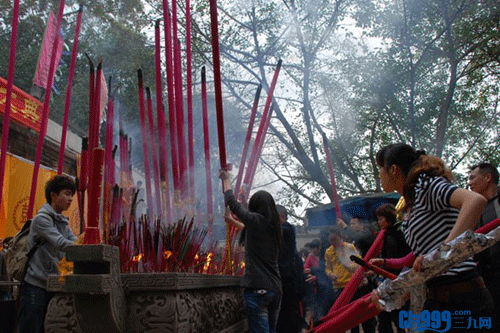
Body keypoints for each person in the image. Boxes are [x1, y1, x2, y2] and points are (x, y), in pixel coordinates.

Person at [371, 143, 495, 332]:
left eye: (381, 169)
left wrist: (444, 251)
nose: (379, 175)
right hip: (437, 300)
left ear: (394, 170)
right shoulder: (410, 204)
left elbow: (474, 201)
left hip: (462, 298)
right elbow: (421, 256)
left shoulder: (426, 184)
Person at [219, 170, 282, 333]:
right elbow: (249, 229)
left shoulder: (257, 220)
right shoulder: (273, 226)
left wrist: (226, 181)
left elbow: (233, 204)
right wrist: (233, 221)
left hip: (258, 289)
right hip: (275, 289)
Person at [18, 175, 77, 333]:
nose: (70, 199)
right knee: (32, 327)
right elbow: (62, 243)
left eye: (72, 195)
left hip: (53, 283)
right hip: (36, 285)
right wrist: (86, 247)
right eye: (66, 193)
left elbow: (75, 241)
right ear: (53, 195)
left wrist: (89, 243)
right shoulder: (42, 220)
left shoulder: (62, 221)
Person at [325, 227, 376, 333]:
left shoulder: (349, 248)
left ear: (340, 237)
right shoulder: (328, 252)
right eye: (330, 240)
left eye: (335, 239)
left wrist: (346, 263)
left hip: (357, 286)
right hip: (341, 288)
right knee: (350, 319)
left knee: (366, 316)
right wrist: (331, 274)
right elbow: (328, 269)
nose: (332, 242)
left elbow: (359, 265)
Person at [468, 163, 500, 330]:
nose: (469, 183)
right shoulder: (473, 211)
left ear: (488, 178)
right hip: (487, 284)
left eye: (473, 177)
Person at [372, 203, 410, 333]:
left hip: (397, 280)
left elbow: (401, 258)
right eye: (378, 219)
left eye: (381, 219)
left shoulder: (397, 233)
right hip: (388, 280)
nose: (379, 222)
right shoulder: (386, 234)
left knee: (398, 319)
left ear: (389, 217)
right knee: (384, 319)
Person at [275, 205, 306, 333]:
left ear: (282, 216)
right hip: (285, 284)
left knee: (290, 320)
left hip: (290, 285)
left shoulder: (287, 229)